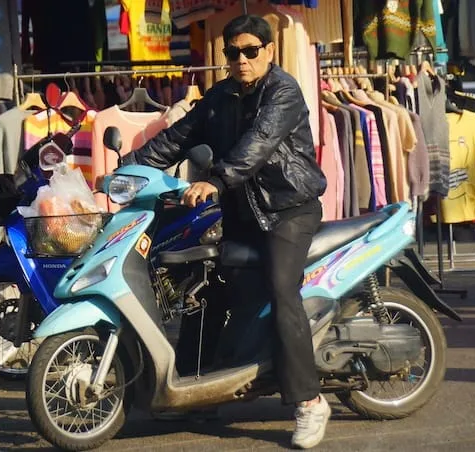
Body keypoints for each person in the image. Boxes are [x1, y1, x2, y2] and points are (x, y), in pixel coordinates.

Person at [105, 14, 331, 450]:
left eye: (250, 51)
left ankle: (309, 401)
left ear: (268, 51)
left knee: (282, 290)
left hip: (288, 209)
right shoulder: (221, 96)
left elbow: (258, 145)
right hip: (242, 211)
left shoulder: (283, 92)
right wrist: (126, 170)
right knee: (204, 286)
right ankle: (194, 387)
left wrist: (216, 179)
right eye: (233, 52)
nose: (242, 60)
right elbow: (176, 138)